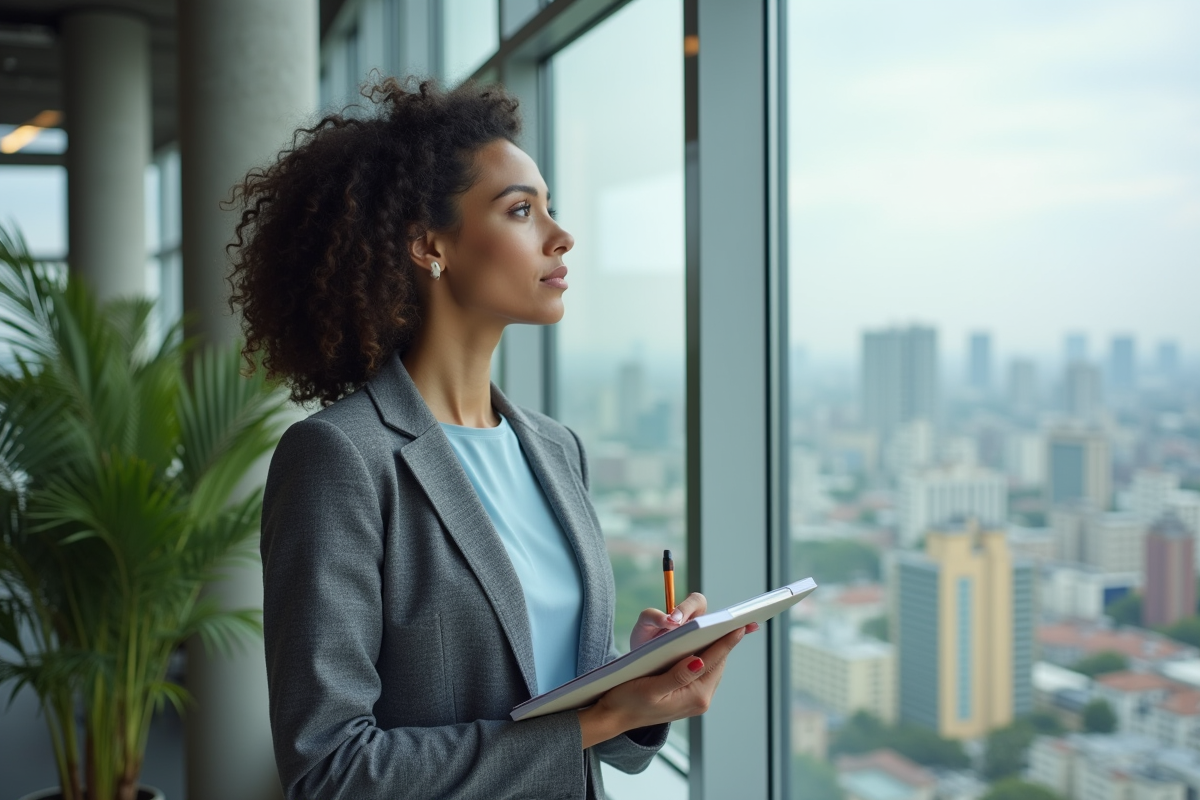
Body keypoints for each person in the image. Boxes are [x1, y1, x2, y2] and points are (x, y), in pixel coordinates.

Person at [228, 77, 753, 800]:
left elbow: (550, 704)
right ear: (428, 245)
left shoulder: (555, 448)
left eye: (551, 210)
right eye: (520, 210)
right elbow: (330, 772)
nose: (560, 235)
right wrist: (593, 724)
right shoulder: (341, 459)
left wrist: (638, 675)